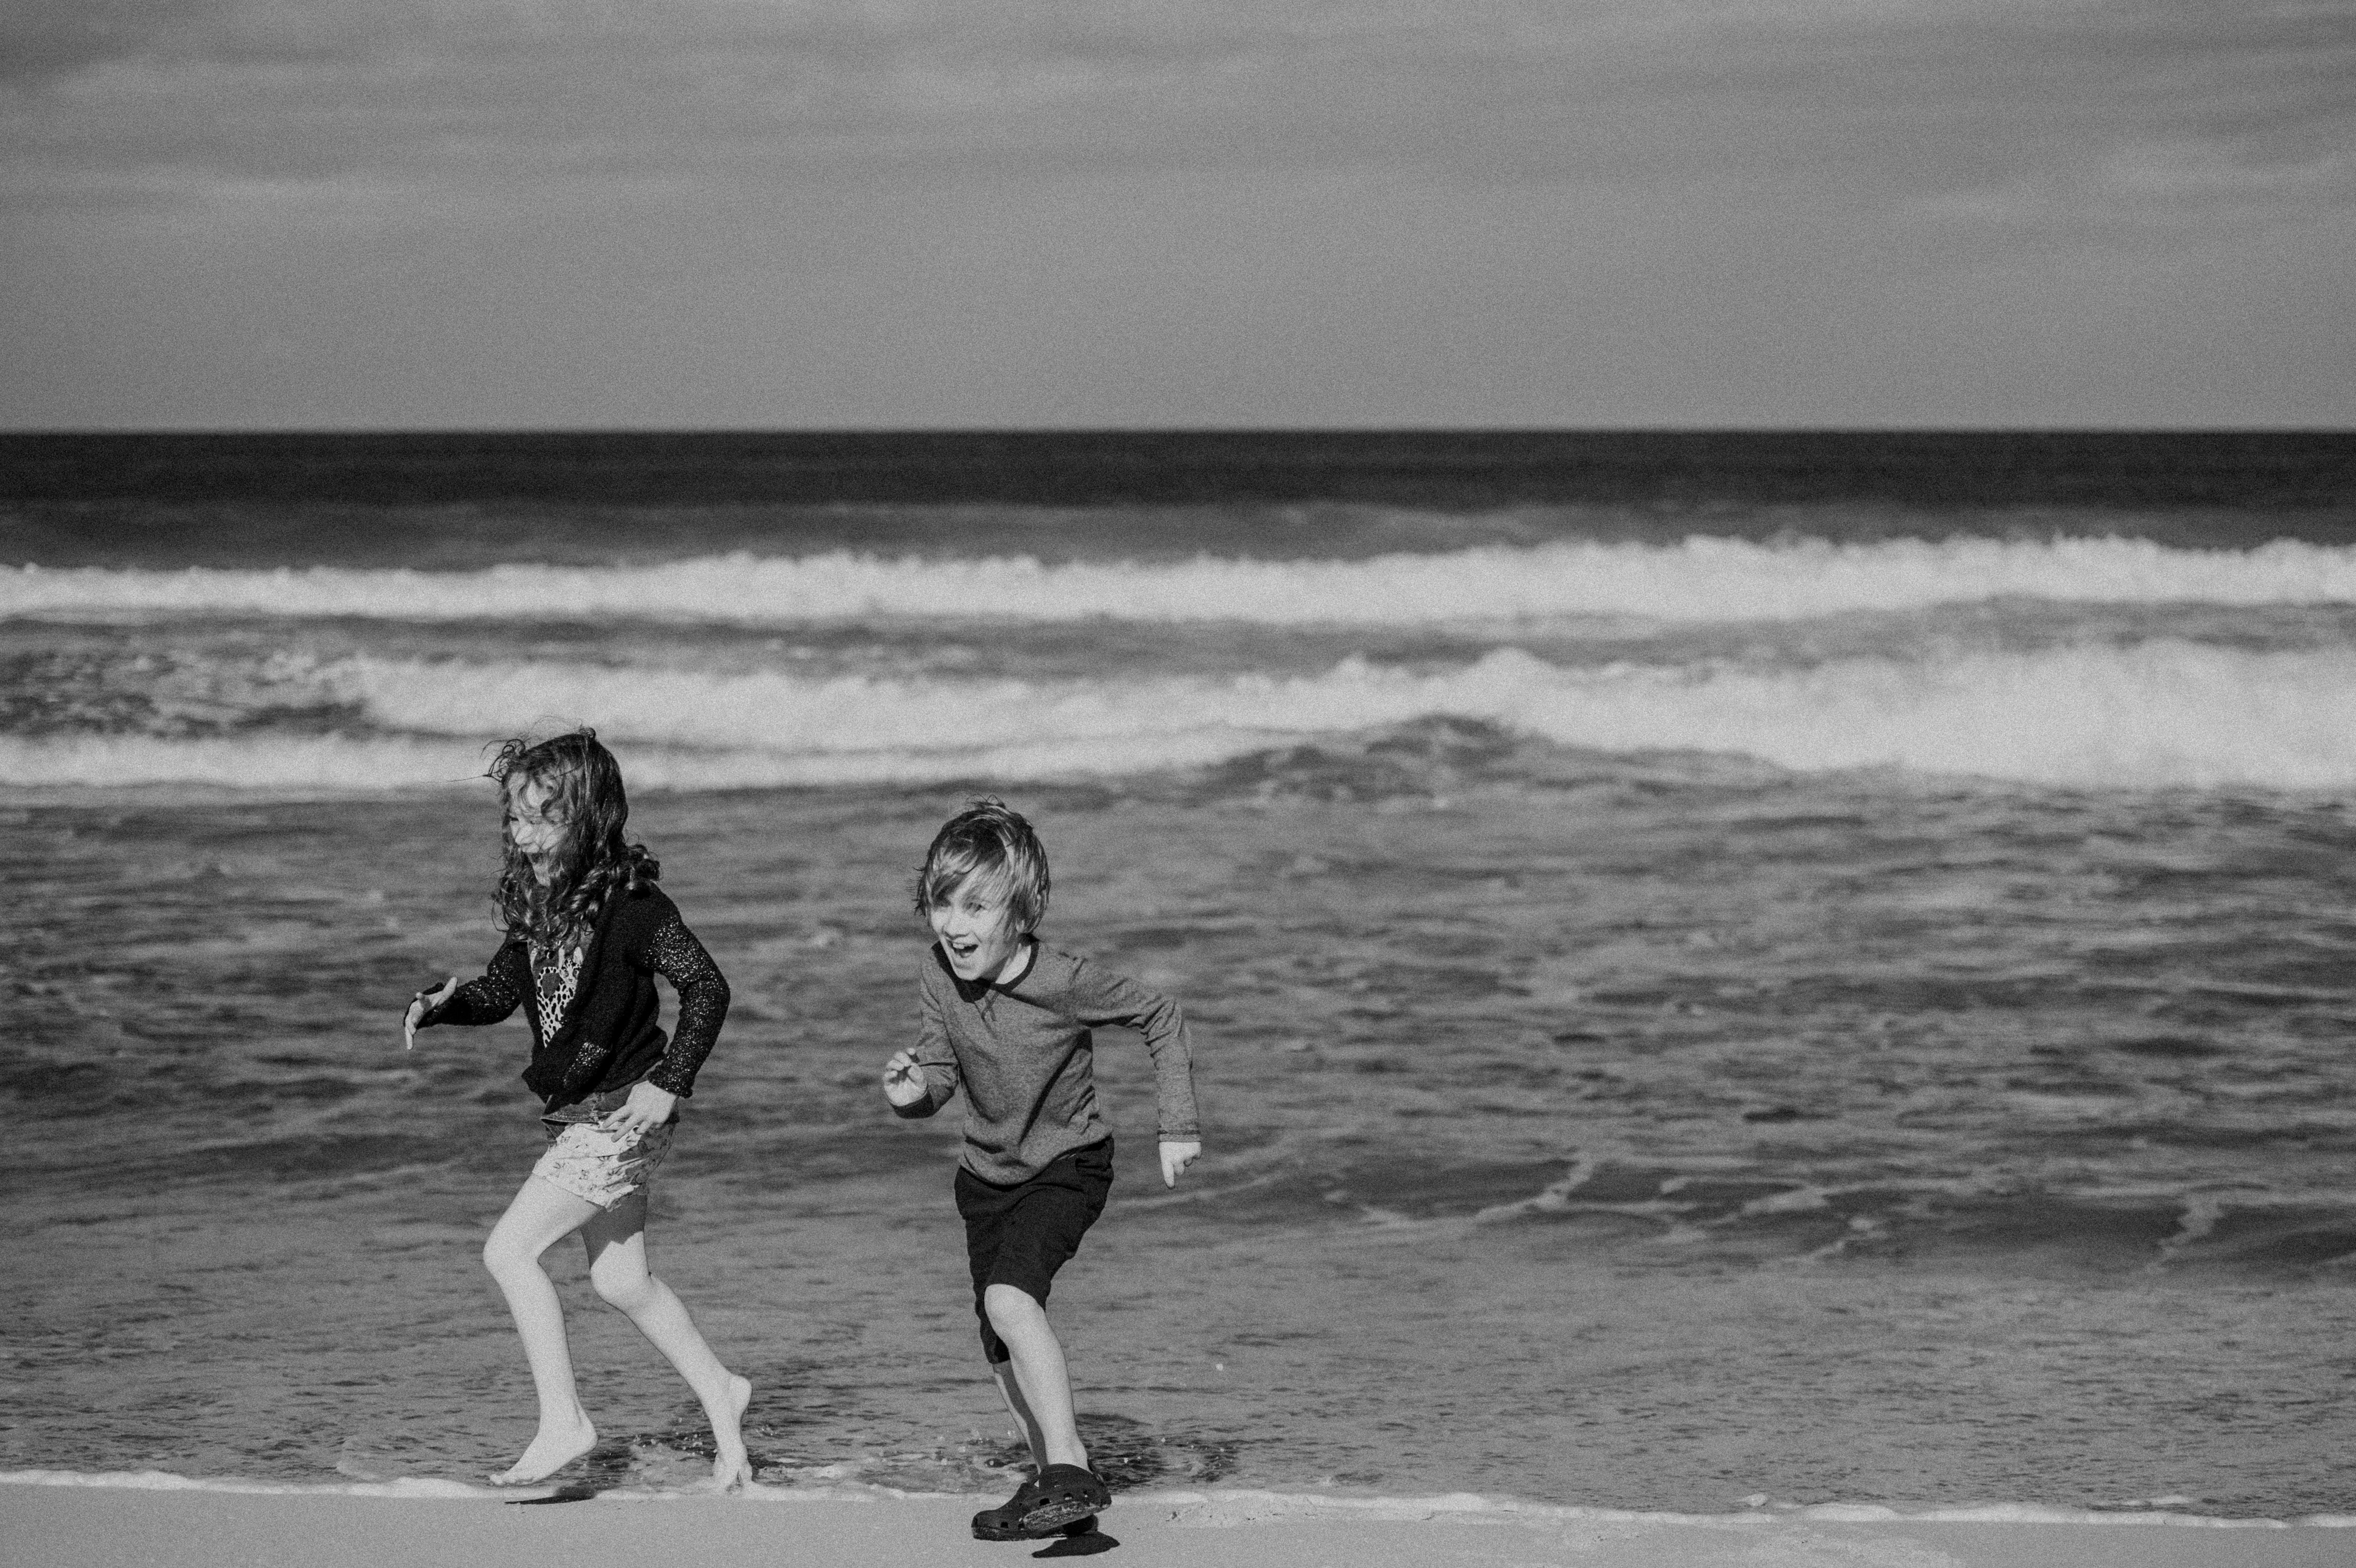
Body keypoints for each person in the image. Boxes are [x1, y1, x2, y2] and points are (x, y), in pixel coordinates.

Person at [403, 729, 752, 1490]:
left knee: (508, 1251)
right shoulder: (538, 903)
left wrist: (671, 1081)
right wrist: (444, 1005)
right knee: (623, 1283)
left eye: (540, 819)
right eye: (515, 819)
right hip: (583, 1116)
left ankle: (565, 1421)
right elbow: (501, 992)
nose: (522, 836)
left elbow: (707, 987)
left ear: (589, 818)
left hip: (622, 1113)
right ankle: (722, 1393)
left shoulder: (632, 907)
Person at [881, 797, 1202, 1541]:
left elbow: (1161, 1014)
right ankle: (1062, 1491)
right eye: (940, 902)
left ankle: (1064, 1470)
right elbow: (938, 1070)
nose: (953, 924)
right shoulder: (938, 972)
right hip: (984, 1177)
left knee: (1009, 1299)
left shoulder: (1061, 979)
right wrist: (910, 1093)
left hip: (1068, 1163)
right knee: (998, 1339)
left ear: (1021, 911)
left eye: (974, 906)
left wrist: (1177, 1122)